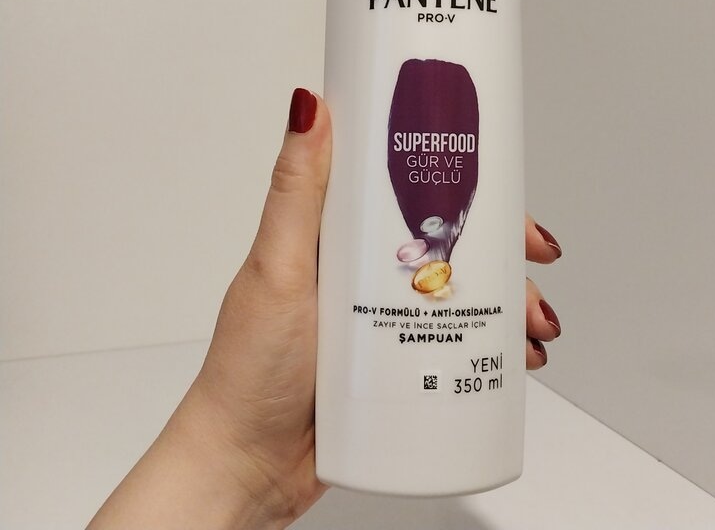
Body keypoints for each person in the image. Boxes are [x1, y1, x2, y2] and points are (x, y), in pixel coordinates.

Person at [88, 89, 563, 530]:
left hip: (467, 388)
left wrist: (235, 465)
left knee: (484, 251)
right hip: (327, 424)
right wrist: (233, 456)